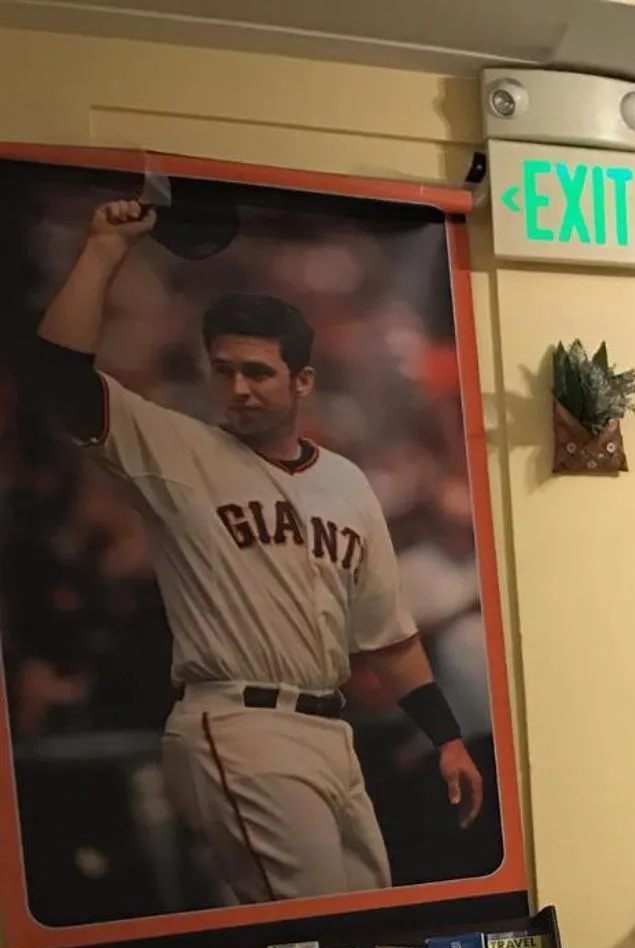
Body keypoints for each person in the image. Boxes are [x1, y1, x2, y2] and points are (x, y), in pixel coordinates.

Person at [32, 196, 484, 904]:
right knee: (316, 932)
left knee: (364, 929)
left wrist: (446, 739)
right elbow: (63, 383)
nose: (237, 387)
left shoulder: (345, 481)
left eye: (258, 372)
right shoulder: (182, 449)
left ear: (301, 381)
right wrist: (102, 252)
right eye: (225, 370)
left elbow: (386, 636)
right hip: (237, 721)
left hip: (331, 732)